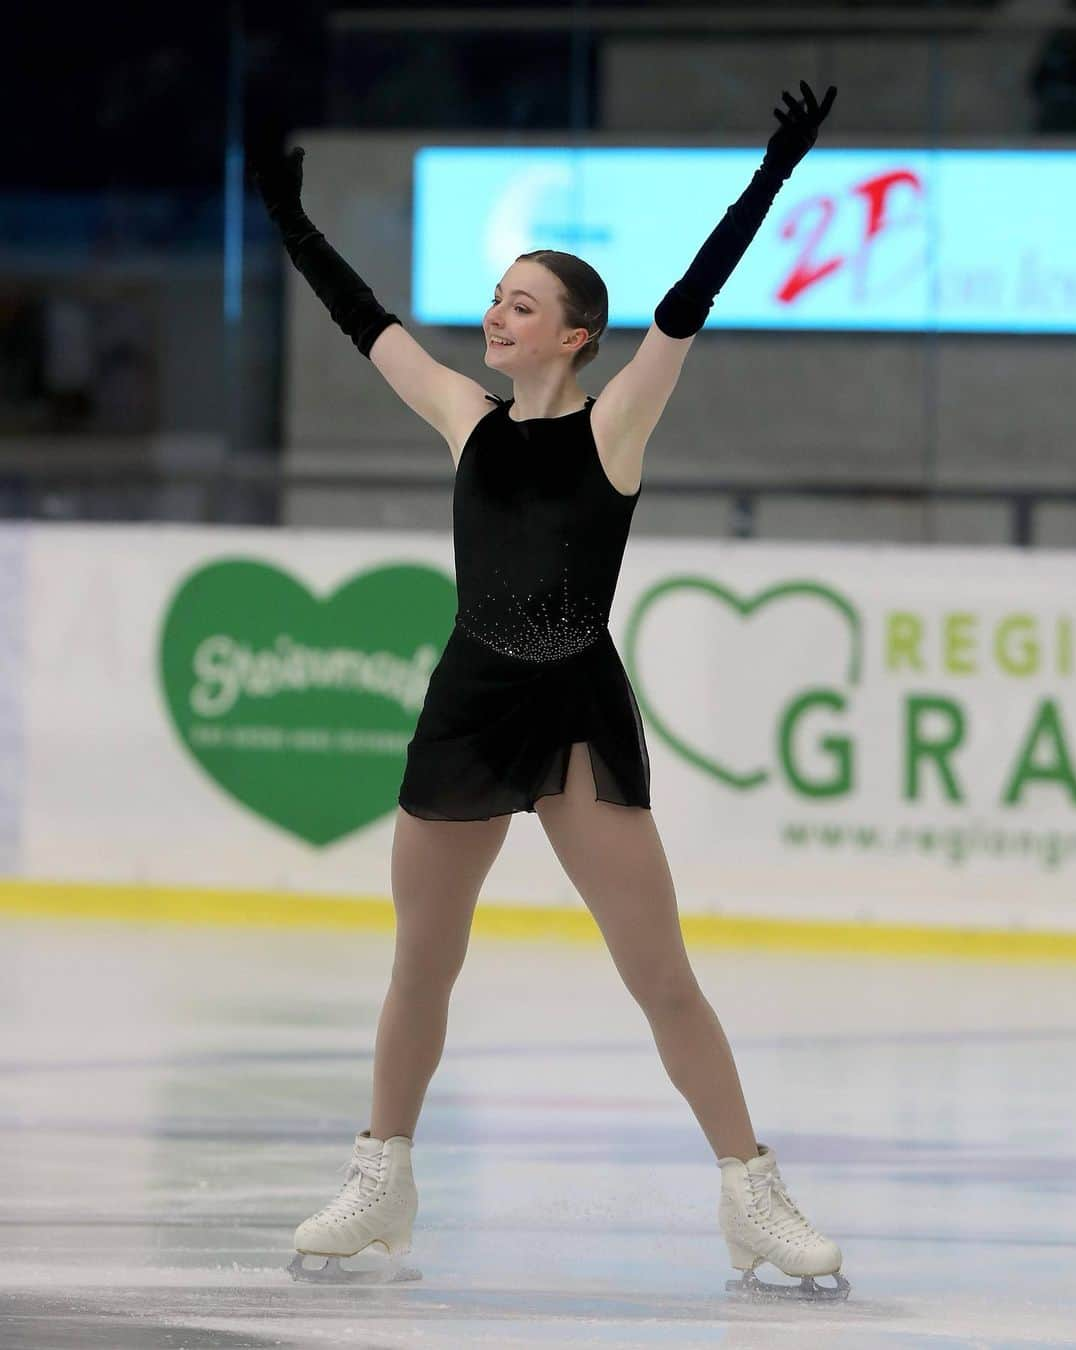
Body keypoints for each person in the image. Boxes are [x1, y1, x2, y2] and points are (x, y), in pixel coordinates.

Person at [254, 79, 848, 1302]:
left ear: (577, 333)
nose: (495, 315)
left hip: (576, 710)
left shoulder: (617, 428)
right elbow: (365, 320)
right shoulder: (464, 422)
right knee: (424, 958)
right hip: (472, 700)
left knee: (659, 972)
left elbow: (689, 304)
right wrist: (287, 218)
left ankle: (751, 1191)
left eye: (523, 304)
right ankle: (384, 1177)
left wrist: (774, 174)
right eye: (495, 298)